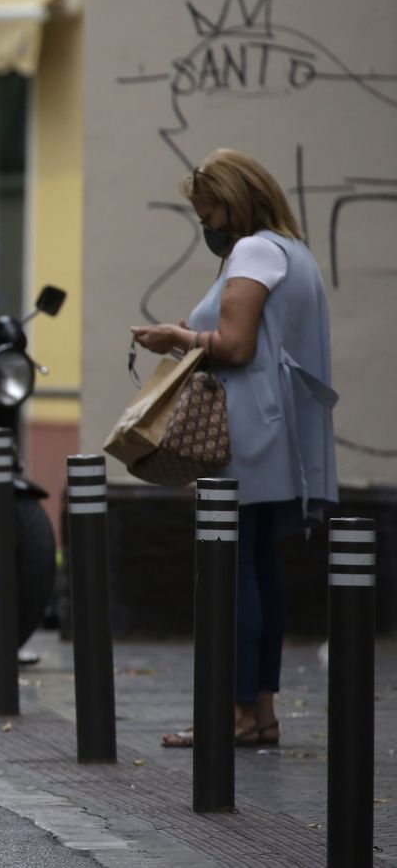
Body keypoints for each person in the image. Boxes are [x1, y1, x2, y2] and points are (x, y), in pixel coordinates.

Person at [132, 149, 337, 749]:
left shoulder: (253, 250)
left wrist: (178, 337)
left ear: (236, 201)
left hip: (246, 434)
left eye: (210, 210)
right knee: (262, 571)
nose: (207, 224)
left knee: (236, 571)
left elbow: (237, 345)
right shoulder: (294, 253)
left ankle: (239, 712)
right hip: (281, 436)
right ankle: (261, 712)